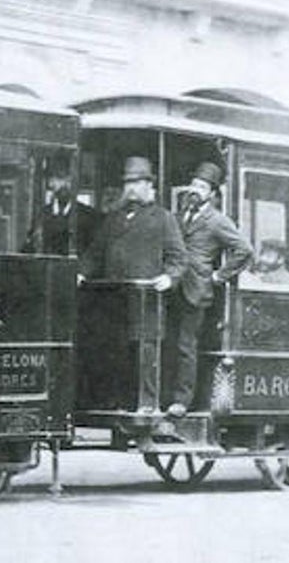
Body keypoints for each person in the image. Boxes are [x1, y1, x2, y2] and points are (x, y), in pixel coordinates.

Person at [80, 156, 187, 413]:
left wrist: (169, 277)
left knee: (145, 351)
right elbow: (95, 254)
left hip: (146, 300)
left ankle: (147, 404)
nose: (131, 188)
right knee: (115, 352)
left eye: (138, 183)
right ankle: (116, 403)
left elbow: (178, 257)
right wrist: (82, 272)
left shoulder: (163, 218)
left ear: (150, 186)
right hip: (114, 300)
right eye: (128, 183)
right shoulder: (113, 219)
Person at [166, 162, 254, 417]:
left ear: (212, 194)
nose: (195, 190)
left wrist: (218, 276)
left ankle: (183, 401)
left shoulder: (217, 221)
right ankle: (168, 397)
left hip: (196, 290)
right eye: (194, 185)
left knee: (186, 346)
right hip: (174, 287)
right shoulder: (180, 215)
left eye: (202, 187)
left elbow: (244, 250)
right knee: (170, 344)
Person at [22, 163, 98, 255]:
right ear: (50, 182)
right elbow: (29, 251)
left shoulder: (88, 215)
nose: (64, 184)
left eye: (69, 179)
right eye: (59, 178)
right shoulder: (42, 215)